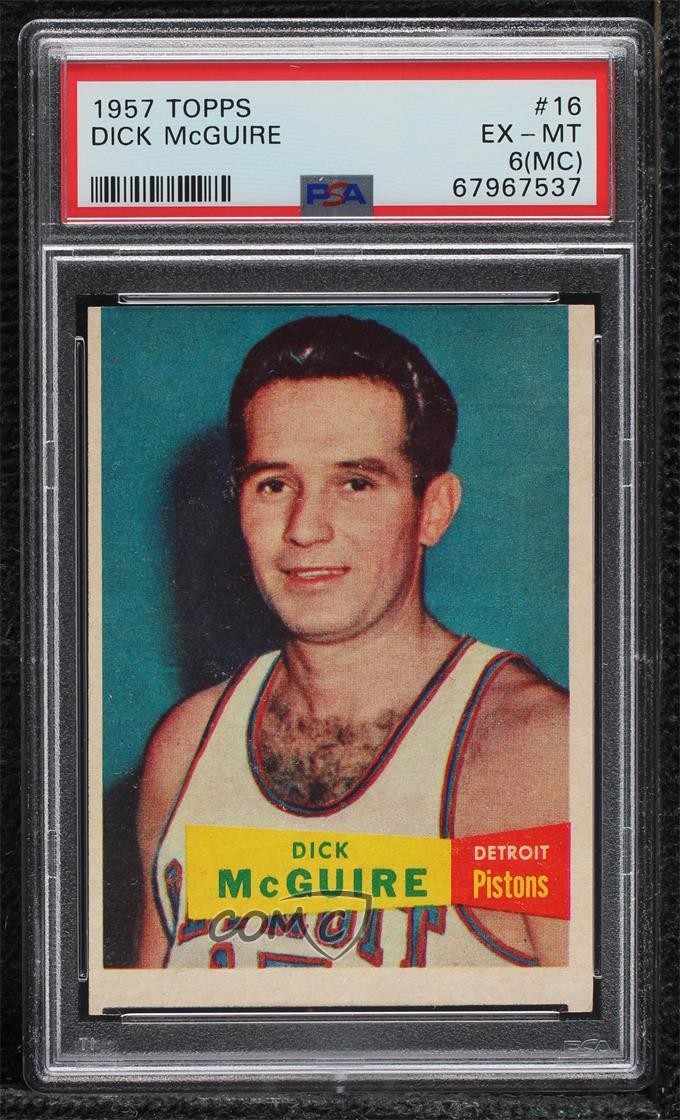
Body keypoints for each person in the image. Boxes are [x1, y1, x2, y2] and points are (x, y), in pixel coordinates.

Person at [136, 315, 568, 971]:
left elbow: (596, 1032)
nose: (306, 528)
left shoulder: (536, 756)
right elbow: (146, 1027)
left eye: (356, 483)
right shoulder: (189, 746)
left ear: (433, 509)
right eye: (274, 484)